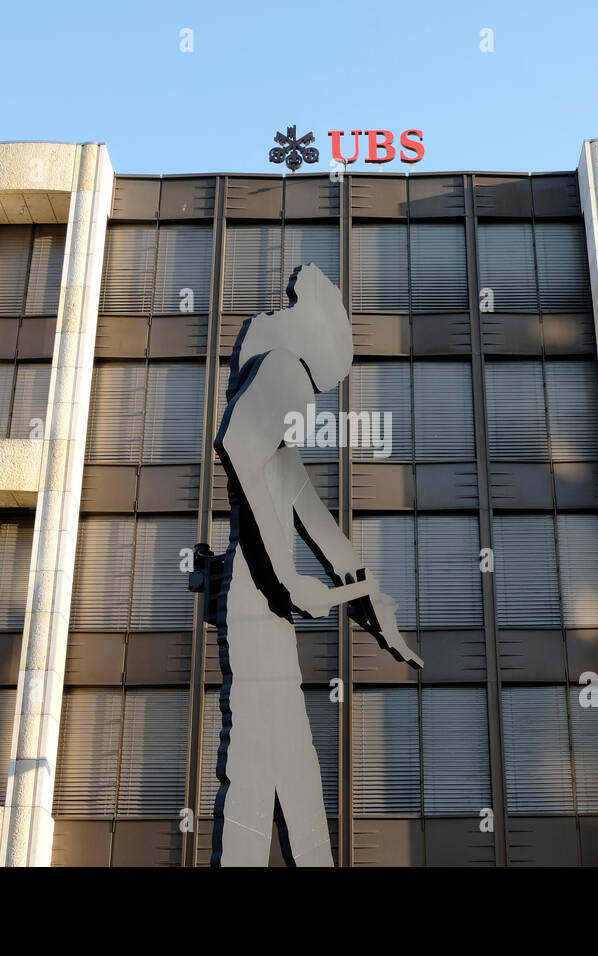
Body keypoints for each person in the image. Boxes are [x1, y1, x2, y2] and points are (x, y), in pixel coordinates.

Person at [207, 263, 422, 867]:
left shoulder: (282, 434)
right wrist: (285, 574)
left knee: (293, 780)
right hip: (258, 608)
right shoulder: (282, 371)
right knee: (258, 777)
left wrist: (376, 614)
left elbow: (320, 525)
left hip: (266, 616)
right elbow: (236, 446)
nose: (311, 401)